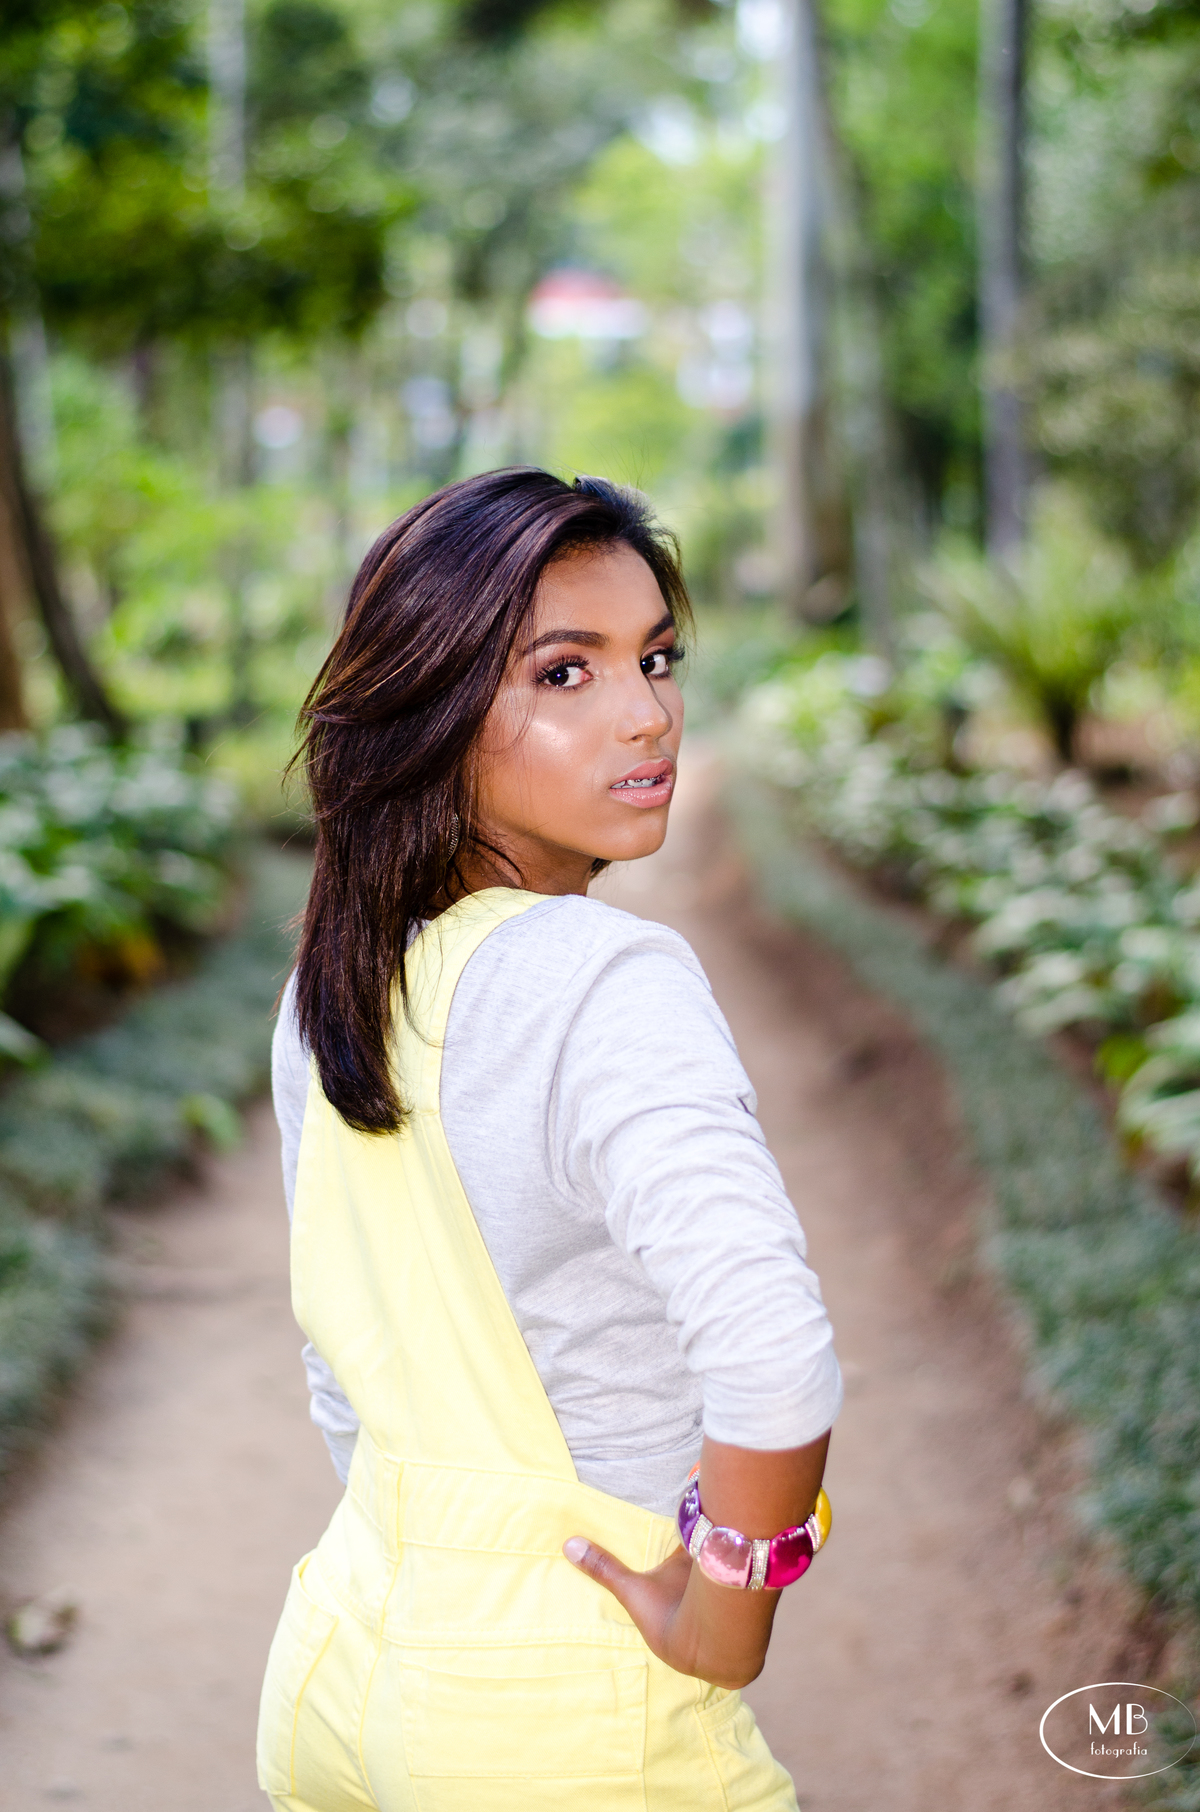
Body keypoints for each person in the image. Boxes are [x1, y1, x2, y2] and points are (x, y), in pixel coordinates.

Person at [260, 468, 842, 1812]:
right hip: (559, 1721)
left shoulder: (333, 988)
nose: (649, 715)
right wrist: (726, 1619)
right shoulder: (604, 979)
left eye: (656, 658)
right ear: (434, 711)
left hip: (345, 1669)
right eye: (565, 675)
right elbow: (772, 1356)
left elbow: (343, 1374)